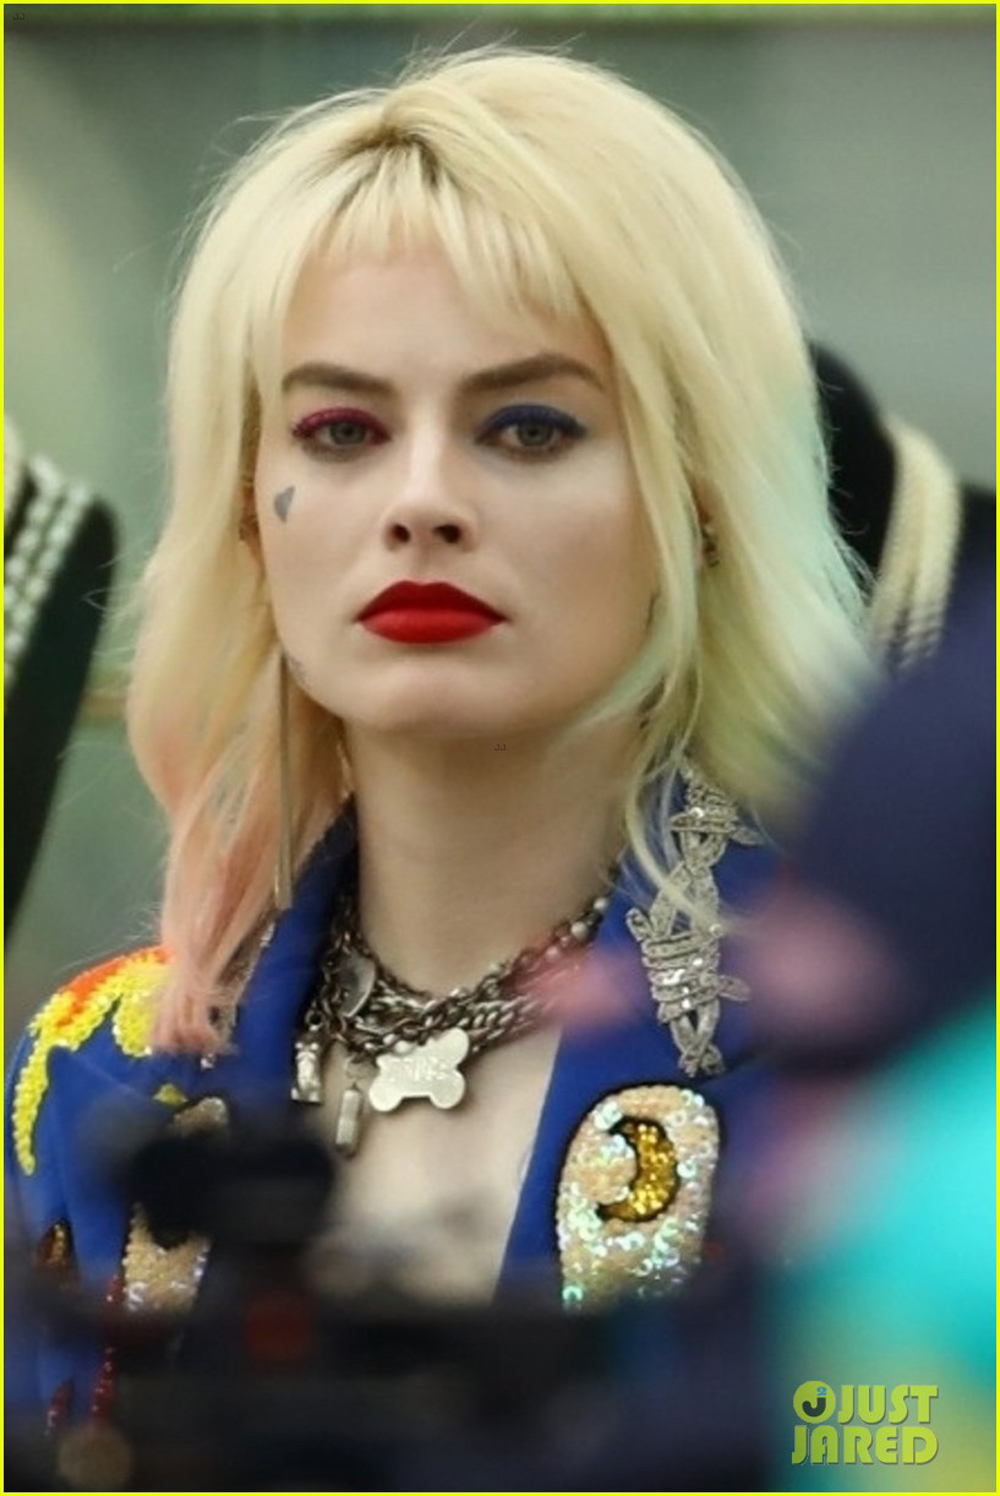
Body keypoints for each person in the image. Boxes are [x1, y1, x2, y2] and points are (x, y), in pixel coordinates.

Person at [5, 46, 871, 1440]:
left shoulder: (880, 1077)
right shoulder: (90, 1073)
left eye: (528, 427)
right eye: (342, 429)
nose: (421, 500)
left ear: (701, 493)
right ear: (247, 509)